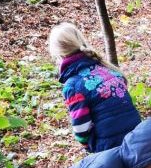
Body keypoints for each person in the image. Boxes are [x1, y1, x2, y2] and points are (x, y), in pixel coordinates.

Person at [48, 22, 142, 153]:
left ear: (59, 54)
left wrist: (91, 147)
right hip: (139, 138)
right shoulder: (108, 70)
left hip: (111, 149)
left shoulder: (73, 86)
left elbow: (81, 129)